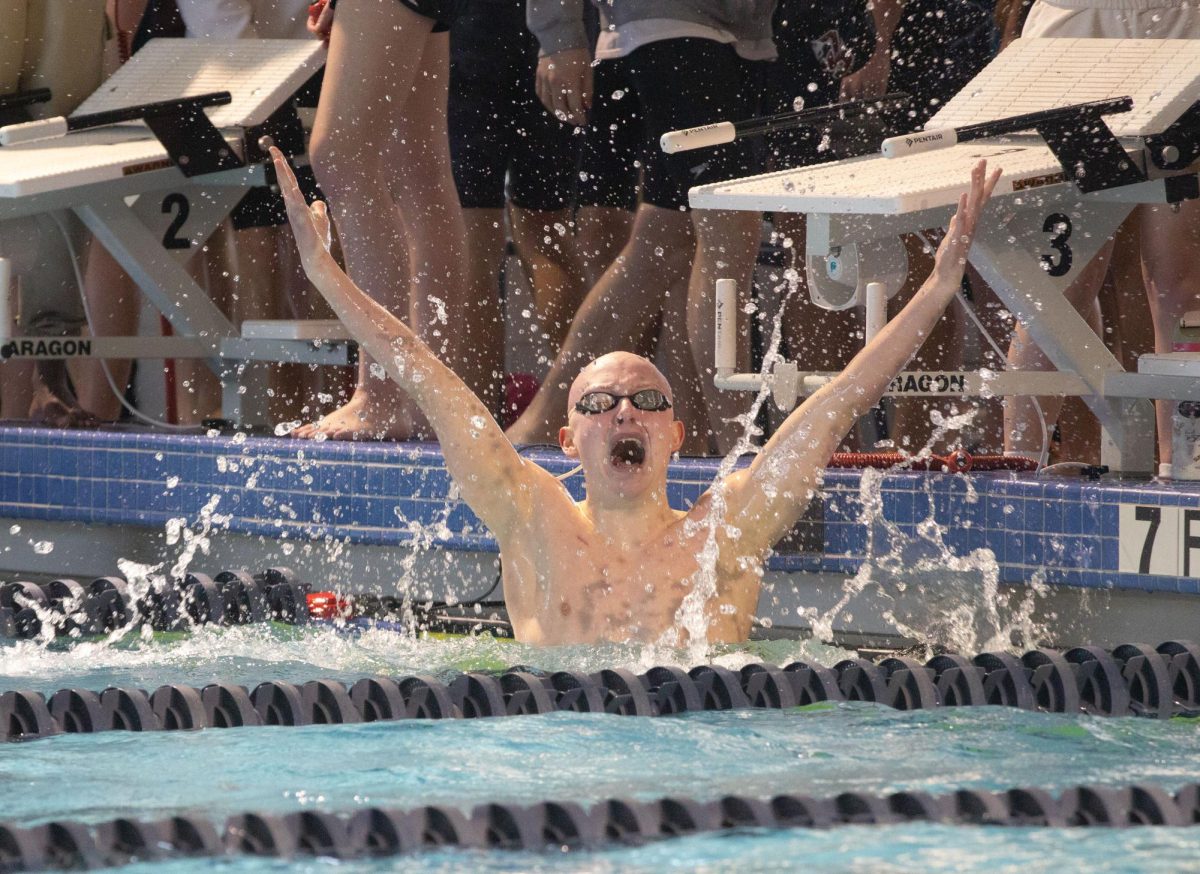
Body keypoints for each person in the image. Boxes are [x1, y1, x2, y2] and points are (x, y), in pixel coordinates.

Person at [273, 144, 998, 645]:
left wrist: (938, 287)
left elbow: (840, 398)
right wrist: (322, 272)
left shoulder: (730, 528)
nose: (624, 410)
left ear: (676, 436)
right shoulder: (530, 513)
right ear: (567, 440)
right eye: (597, 404)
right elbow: (422, 370)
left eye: (647, 401)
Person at [507, 2, 776, 456]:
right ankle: (740, 454)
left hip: (726, 32)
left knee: (663, 244)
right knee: (729, 236)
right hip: (675, 24)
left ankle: (545, 417)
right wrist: (560, 35)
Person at [1001, 0, 1200, 474]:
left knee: (1184, 288)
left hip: (1181, 23)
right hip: (1077, 29)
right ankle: (1013, 476)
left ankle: (1186, 480)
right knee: (1057, 288)